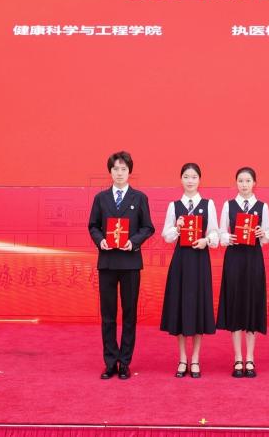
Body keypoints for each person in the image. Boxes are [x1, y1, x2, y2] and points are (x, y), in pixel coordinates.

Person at [87, 151, 155, 380]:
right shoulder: (101, 198)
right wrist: (100, 240)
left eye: (123, 169)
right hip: (107, 262)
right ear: (110, 172)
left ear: (129, 172)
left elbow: (148, 227)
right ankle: (110, 362)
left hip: (130, 263)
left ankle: (124, 362)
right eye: (115, 169)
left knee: (129, 313)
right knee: (108, 315)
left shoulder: (139, 198)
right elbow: (93, 225)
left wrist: (133, 242)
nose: (119, 173)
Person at [159, 163, 219, 378]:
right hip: (181, 262)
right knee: (181, 307)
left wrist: (206, 241)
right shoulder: (174, 206)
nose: (190, 180)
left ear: (199, 179)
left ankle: (195, 359)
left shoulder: (208, 204)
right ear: (181, 179)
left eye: (194, 177)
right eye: (186, 176)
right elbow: (166, 235)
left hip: (200, 260)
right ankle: (182, 358)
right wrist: (177, 227)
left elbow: (215, 233)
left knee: (198, 307)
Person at [217, 166, 269, 378]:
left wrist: (261, 233)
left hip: (254, 259)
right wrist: (227, 237)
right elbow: (220, 232)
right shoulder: (228, 205)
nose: (244, 184)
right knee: (236, 304)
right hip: (234, 258)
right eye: (240, 181)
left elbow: (268, 236)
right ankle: (237, 357)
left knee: (252, 304)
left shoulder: (262, 206)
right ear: (236, 183)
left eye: (248, 181)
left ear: (254, 183)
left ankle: (250, 357)